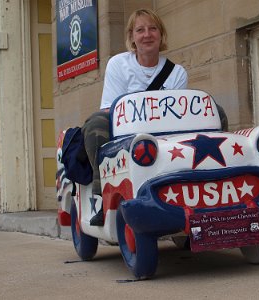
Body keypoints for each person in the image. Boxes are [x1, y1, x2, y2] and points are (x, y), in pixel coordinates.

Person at [83, 8, 188, 226]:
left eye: (153, 29)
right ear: (132, 37)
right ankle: (103, 193)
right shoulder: (118, 64)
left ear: (161, 34)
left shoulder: (177, 73)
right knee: (96, 123)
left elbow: (180, 116)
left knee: (217, 112)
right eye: (140, 30)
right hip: (124, 131)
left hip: (165, 132)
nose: (147, 35)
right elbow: (109, 110)